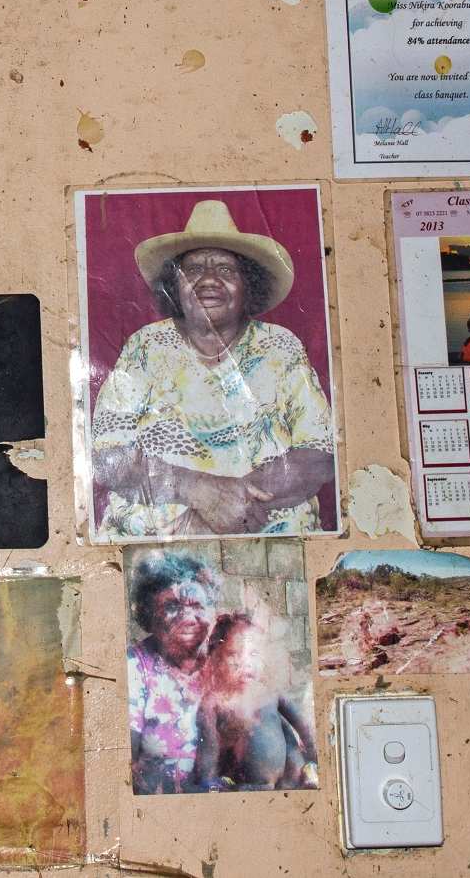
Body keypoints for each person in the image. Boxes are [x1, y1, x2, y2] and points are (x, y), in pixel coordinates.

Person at [91, 200, 337, 538]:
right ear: (175, 286)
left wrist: (230, 508)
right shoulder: (145, 347)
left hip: (268, 535)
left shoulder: (281, 347)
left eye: (225, 270)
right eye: (193, 270)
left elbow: (318, 453)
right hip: (156, 544)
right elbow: (109, 456)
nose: (209, 280)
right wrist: (200, 490)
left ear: (247, 283)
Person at [189, 611, 319, 791]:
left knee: (295, 756)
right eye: (233, 654)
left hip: (290, 777)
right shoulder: (214, 702)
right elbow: (208, 750)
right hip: (248, 784)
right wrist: (208, 780)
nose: (246, 662)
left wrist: (315, 758)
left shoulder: (270, 693)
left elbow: (302, 725)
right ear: (216, 659)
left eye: (254, 653)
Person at [126, 551, 218, 793]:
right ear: (148, 615)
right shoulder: (134, 666)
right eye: (171, 606)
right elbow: (123, 764)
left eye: (197, 606)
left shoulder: (224, 659)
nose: (188, 618)